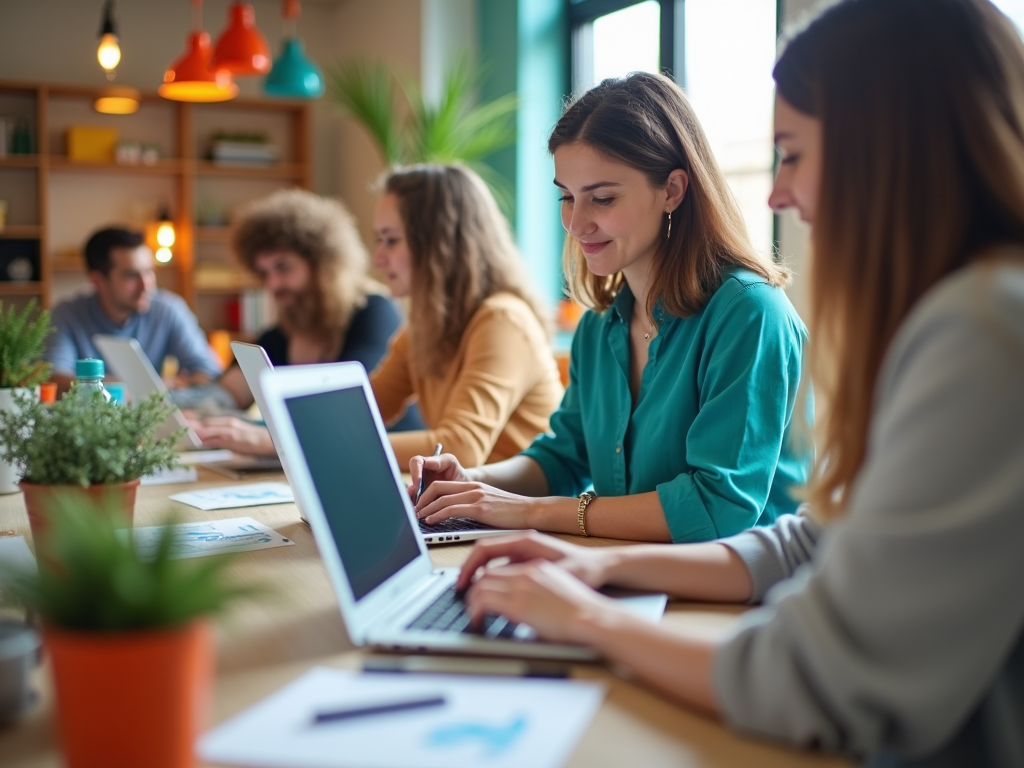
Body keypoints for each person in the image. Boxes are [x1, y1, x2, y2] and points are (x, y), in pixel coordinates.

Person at [450, 0, 1024, 764]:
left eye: (792, 152)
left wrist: (585, 613)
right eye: (567, 198)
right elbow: (813, 538)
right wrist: (595, 563)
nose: (778, 192)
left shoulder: (983, 330)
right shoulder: (952, 316)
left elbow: (814, 675)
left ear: (886, 145)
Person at [412, 73, 810, 544]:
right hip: (630, 575)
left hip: (740, 600)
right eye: (566, 196)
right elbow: (563, 457)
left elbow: (717, 506)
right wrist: (474, 483)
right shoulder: (600, 325)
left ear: (673, 191)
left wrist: (531, 513)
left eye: (602, 198)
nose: (577, 223)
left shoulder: (750, 314)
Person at [193, 189, 420, 454]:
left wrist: (261, 434)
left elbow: (349, 410)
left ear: (322, 264)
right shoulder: (285, 332)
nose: (274, 285)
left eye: (284, 268)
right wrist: (193, 413)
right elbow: (229, 392)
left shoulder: (375, 313)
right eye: (265, 273)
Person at [368, 163, 564, 469]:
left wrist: (336, 447)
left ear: (439, 243)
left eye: (391, 240)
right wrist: (277, 440)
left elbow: (460, 447)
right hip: (470, 506)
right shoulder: (425, 327)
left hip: (521, 507)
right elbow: (368, 408)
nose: (378, 258)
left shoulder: (502, 320)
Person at [44, 227, 222, 393]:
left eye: (149, 271)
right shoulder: (66, 315)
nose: (146, 285)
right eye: (131, 275)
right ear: (98, 281)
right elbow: (54, 381)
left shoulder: (168, 309)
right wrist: (151, 387)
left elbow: (209, 372)